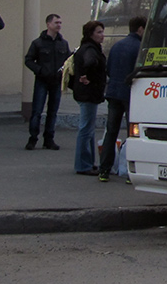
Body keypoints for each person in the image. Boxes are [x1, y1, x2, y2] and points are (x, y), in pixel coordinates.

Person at [99, 16, 145, 181]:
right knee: (132, 133)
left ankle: (104, 170)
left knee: (111, 132)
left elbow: (109, 69)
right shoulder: (140, 48)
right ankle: (130, 171)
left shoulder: (117, 46)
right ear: (140, 29)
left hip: (113, 92)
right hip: (130, 94)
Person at [23, 13, 71, 151]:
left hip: (56, 81)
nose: (59, 25)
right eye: (56, 22)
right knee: (37, 111)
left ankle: (49, 139)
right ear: (48, 24)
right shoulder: (38, 43)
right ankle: (33, 138)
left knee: (53, 111)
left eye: (60, 23)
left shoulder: (63, 43)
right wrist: (40, 70)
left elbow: (68, 61)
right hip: (42, 80)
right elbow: (28, 60)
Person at [71, 20, 106, 175]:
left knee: (88, 129)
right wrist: (89, 76)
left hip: (85, 92)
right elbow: (90, 62)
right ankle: (83, 164)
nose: (102, 35)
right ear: (91, 34)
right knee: (86, 129)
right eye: (99, 32)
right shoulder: (90, 49)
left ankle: (88, 162)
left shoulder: (86, 48)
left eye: (102, 31)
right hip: (88, 93)